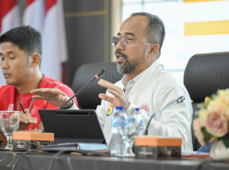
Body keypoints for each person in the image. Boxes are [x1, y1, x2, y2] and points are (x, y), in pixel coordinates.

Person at [31, 12, 193, 151]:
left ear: (152, 50)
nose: (118, 47)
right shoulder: (115, 88)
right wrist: (68, 107)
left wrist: (130, 110)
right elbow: (93, 135)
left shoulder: (171, 87)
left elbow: (179, 142)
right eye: (118, 39)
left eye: (128, 40)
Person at [0, 26, 78, 130]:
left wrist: (10, 130)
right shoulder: (1, 93)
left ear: (34, 60)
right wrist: (12, 128)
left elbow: (47, 139)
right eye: (2, 58)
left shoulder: (59, 94)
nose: (4, 65)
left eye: (11, 57)